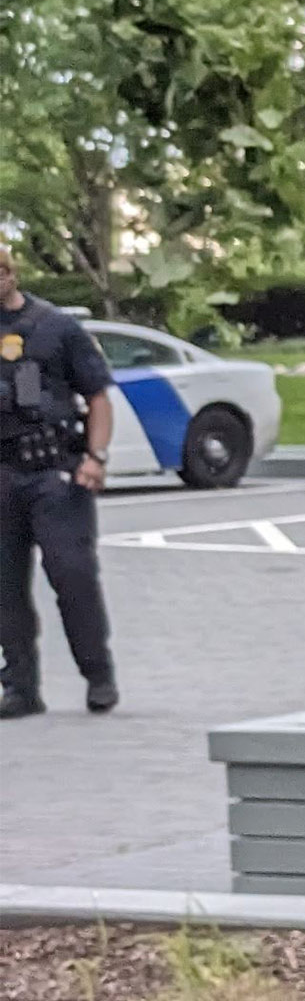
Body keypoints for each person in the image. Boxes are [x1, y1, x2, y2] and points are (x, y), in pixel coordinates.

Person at [0, 245, 115, 717]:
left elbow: (98, 397)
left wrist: (96, 457)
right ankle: (21, 687)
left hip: (54, 470)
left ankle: (98, 674)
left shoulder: (57, 327)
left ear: (10, 273)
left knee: (73, 575)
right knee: (5, 588)